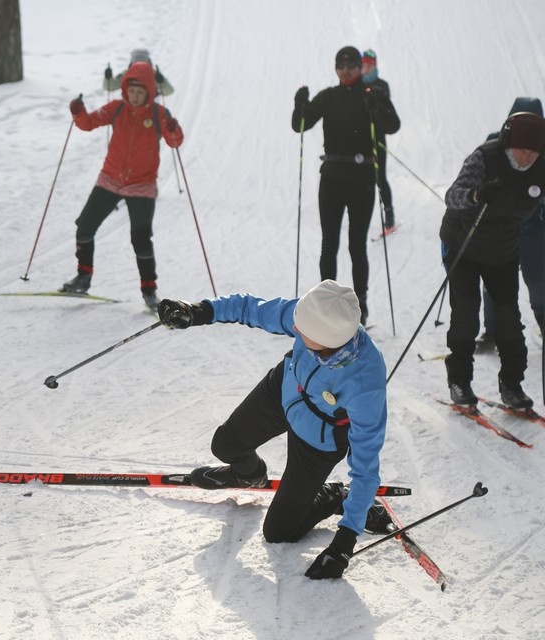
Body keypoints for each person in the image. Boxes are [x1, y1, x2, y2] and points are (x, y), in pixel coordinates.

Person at [156, 280, 389, 580]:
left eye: (304, 331)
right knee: (225, 445)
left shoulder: (364, 383)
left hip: (319, 436)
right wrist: (199, 311)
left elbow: (367, 467)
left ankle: (334, 497)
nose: (295, 329)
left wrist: (345, 539)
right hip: (284, 390)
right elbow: (248, 308)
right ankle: (249, 473)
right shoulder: (310, 318)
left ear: (329, 340)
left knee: (280, 532)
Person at [439, 110, 545, 408]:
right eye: (521, 150)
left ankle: (512, 385)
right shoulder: (485, 159)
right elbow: (452, 196)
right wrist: (477, 194)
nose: (526, 158)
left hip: (503, 251)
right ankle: (459, 381)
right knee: (466, 314)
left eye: (533, 152)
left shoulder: (541, 166)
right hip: (463, 245)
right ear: (509, 144)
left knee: (508, 319)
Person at [60, 61, 185, 311]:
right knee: (84, 226)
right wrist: (77, 111)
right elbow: (88, 123)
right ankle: (83, 277)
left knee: (140, 238)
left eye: (141, 92)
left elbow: (175, 142)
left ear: (150, 92)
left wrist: (173, 129)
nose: (135, 96)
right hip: (110, 179)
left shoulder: (159, 114)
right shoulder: (116, 108)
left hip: (142, 185)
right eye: (132, 91)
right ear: (125, 89)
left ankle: (150, 291)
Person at [292, 46, 401, 326]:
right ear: (335, 68)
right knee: (329, 244)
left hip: (361, 179)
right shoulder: (328, 96)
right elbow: (300, 125)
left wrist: (379, 105)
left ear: (359, 68)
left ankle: (359, 304)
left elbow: (392, 126)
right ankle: (326, 303)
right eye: (341, 65)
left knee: (356, 245)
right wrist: (300, 105)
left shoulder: (371, 95)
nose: (346, 70)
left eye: (351, 65)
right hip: (332, 179)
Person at [476, 98, 545, 352]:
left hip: (533, 228)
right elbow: (478, 175)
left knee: (538, 280)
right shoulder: (495, 143)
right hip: (499, 227)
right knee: (494, 280)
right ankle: (491, 332)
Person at [361, 49, 397, 230]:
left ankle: (389, 212)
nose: (366, 68)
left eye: (369, 65)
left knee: (380, 178)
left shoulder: (382, 85)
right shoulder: (356, 83)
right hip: (360, 139)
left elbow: (387, 111)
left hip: (378, 139)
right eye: (364, 64)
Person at [103, 48, 174, 98]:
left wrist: (162, 81)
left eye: (142, 60)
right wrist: (108, 78)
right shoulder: (127, 74)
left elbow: (168, 91)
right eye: (137, 60)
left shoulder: (153, 75)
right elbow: (110, 87)